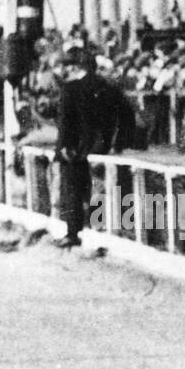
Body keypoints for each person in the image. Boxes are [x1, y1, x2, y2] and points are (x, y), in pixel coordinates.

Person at [54, 47, 133, 248]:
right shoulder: (109, 87)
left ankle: (73, 233)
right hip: (102, 148)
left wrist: (62, 148)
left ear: (74, 67)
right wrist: (118, 143)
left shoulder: (69, 89)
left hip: (75, 151)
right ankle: (99, 227)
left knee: (72, 190)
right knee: (99, 187)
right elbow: (127, 115)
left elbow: (65, 122)